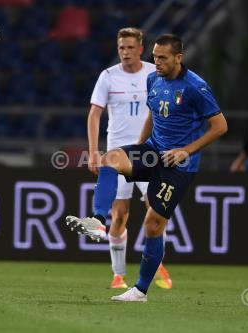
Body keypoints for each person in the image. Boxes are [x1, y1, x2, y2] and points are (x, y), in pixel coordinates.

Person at [66, 33, 228, 302]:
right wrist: (138, 148)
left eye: (162, 58)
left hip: (178, 166)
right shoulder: (153, 79)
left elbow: (220, 126)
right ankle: (97, 220)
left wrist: (185, 151)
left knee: (153, 224)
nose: (157, 62)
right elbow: (153, 112)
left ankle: (140, 290)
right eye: (154, 57)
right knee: (110, 159)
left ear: (179, 57)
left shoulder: (195, 87)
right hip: (152, 151)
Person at [87, 27, 172, 290]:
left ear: (141, 49)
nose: (125, 52)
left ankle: (156, 263)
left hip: (148, 152)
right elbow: (94, 115)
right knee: (120, 215)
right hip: (118, 154)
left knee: (155, 209)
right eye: (121, 48)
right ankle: (118, 274)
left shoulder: (153, 74)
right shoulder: (108, 77)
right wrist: (93, 151)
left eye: (130, 47)